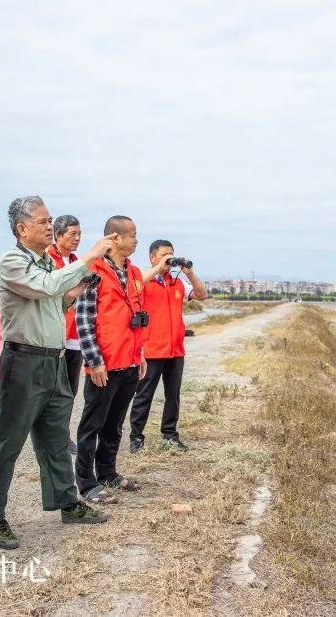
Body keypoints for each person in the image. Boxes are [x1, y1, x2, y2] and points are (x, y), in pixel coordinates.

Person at [0, 197, 117, 550]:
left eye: (49, 219)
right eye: (43, 221)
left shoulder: (43, 263)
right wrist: (89, 257)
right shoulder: (13, 261)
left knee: (56, 440)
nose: (48, 226)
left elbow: (54, 300)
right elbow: (46, 287)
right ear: (22, 228)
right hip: (23, 362)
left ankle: (68, 503)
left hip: (53, 362)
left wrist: (77, 290)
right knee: (9, 442)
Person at [73, 215, 147, 504]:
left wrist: (140, 354)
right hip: (104, 363)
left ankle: (108, 471)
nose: (136, 240)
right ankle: (87, 482)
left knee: (115, 423)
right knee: (92, 424)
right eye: (132, 234)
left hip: (129, 360)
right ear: (115, 238)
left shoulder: (135, 272)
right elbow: (84, 319)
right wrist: (94, 360)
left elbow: (137, 317)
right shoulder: (93, 270)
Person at [128, 240, 207, 453]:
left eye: (171, 255)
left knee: (173, 394)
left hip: (175, 350)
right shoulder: (143, 279)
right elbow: (132, 286)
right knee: (144, 395)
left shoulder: (178, 283)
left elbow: (202, 294)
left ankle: (170, 435)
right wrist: (157, 269)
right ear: (153, 257)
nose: (168, 259)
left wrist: (189, 273)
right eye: (164, 255)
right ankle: (136, 438)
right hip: (151, 350)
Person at [47, 214, 84, 455]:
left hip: (74, 337)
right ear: (57, 235)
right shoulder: (46, 260)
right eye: (72, 234)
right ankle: (48, 435)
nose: (77, 239)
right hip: (52, 338)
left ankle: (62, 435)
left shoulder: (76, 261)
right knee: (50, 392)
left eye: (79, 234)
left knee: (69, 391)